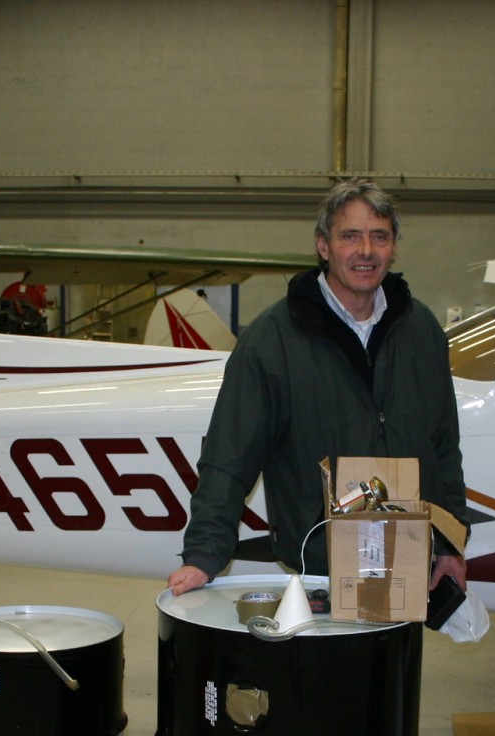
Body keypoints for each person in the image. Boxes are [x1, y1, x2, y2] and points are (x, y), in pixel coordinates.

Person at [166, 178, 468, 596]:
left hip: (407, 561)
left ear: (393, 247)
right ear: (324, 246)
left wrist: (450, 543)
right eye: (350, 236)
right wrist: (204, 554)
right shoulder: (272, 339)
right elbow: (229, 457)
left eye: (379, 236)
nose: (366, 250)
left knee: (397, 644)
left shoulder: (421, 330)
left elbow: (443, 448)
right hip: (316, 569)